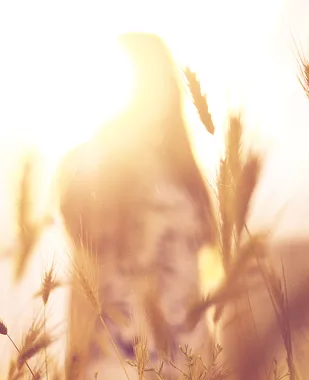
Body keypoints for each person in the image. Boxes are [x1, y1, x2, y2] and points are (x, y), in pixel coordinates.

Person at [55, 32, 218, 379]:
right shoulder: (91, 168)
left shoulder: (184, 175)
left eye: (161, 82)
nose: (154, 95)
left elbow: (195, 285)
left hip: (184, 360)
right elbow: (83, 271)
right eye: (145, 82)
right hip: (116, 359)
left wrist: (209, 362)